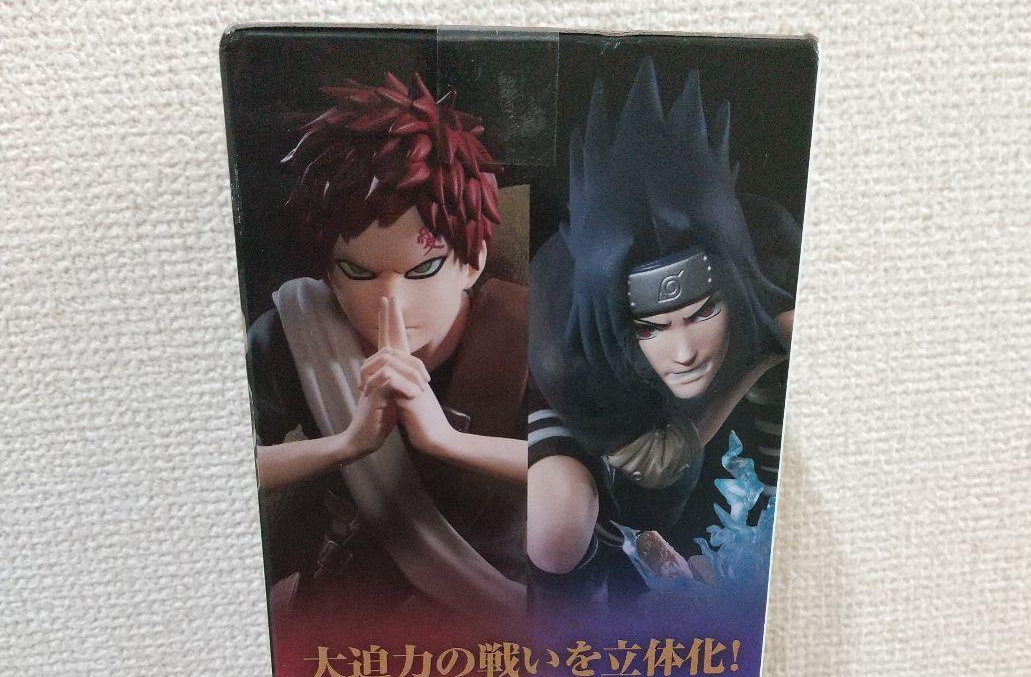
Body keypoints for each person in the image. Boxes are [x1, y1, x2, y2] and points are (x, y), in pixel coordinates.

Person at [246, 72, 527, 619]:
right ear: (329, 272)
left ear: (472, 262)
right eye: (359, 272)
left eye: (423, 270)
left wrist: (448, 442)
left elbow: (587, 472)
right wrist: (347, 444)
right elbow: (222, 468)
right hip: (352, 599)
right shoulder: (292, 332)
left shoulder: (528, 332)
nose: (390, 301)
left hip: (499, 604)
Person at [527, 59, 801, 605]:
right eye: (653, 328)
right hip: (593, 414)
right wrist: (755, 358)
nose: (683, 352)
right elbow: (651, 489)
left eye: (701, 313)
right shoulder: (565, 350)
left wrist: (776, 520)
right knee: (560, 530)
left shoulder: (774, 263)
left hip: (734, 342)